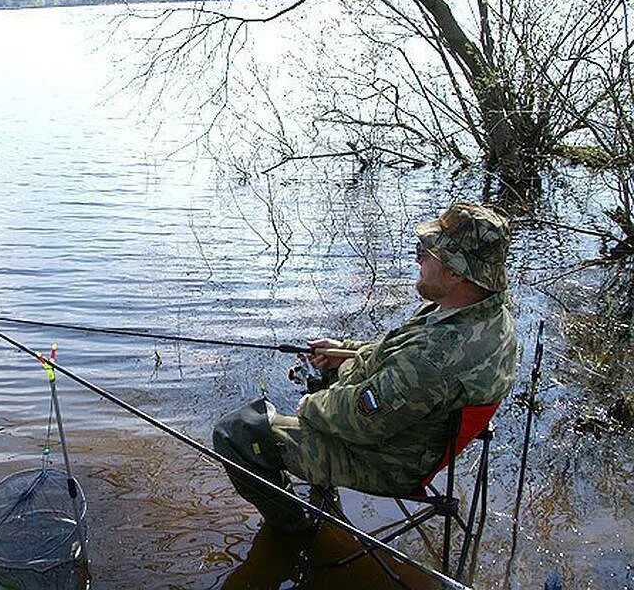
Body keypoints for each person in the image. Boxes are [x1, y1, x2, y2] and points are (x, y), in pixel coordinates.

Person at [212, 202, 518, 532]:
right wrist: (345, 351)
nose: (417, 258)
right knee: (322, 376)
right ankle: (319, 490)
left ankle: (292, 531)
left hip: (387, 461)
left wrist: (310, 407)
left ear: (456, 271)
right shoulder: (481, 313)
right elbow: (400, 356)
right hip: (416, 433)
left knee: (236, 434)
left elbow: (362, 421)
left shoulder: (437, 357)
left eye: (425, 252)